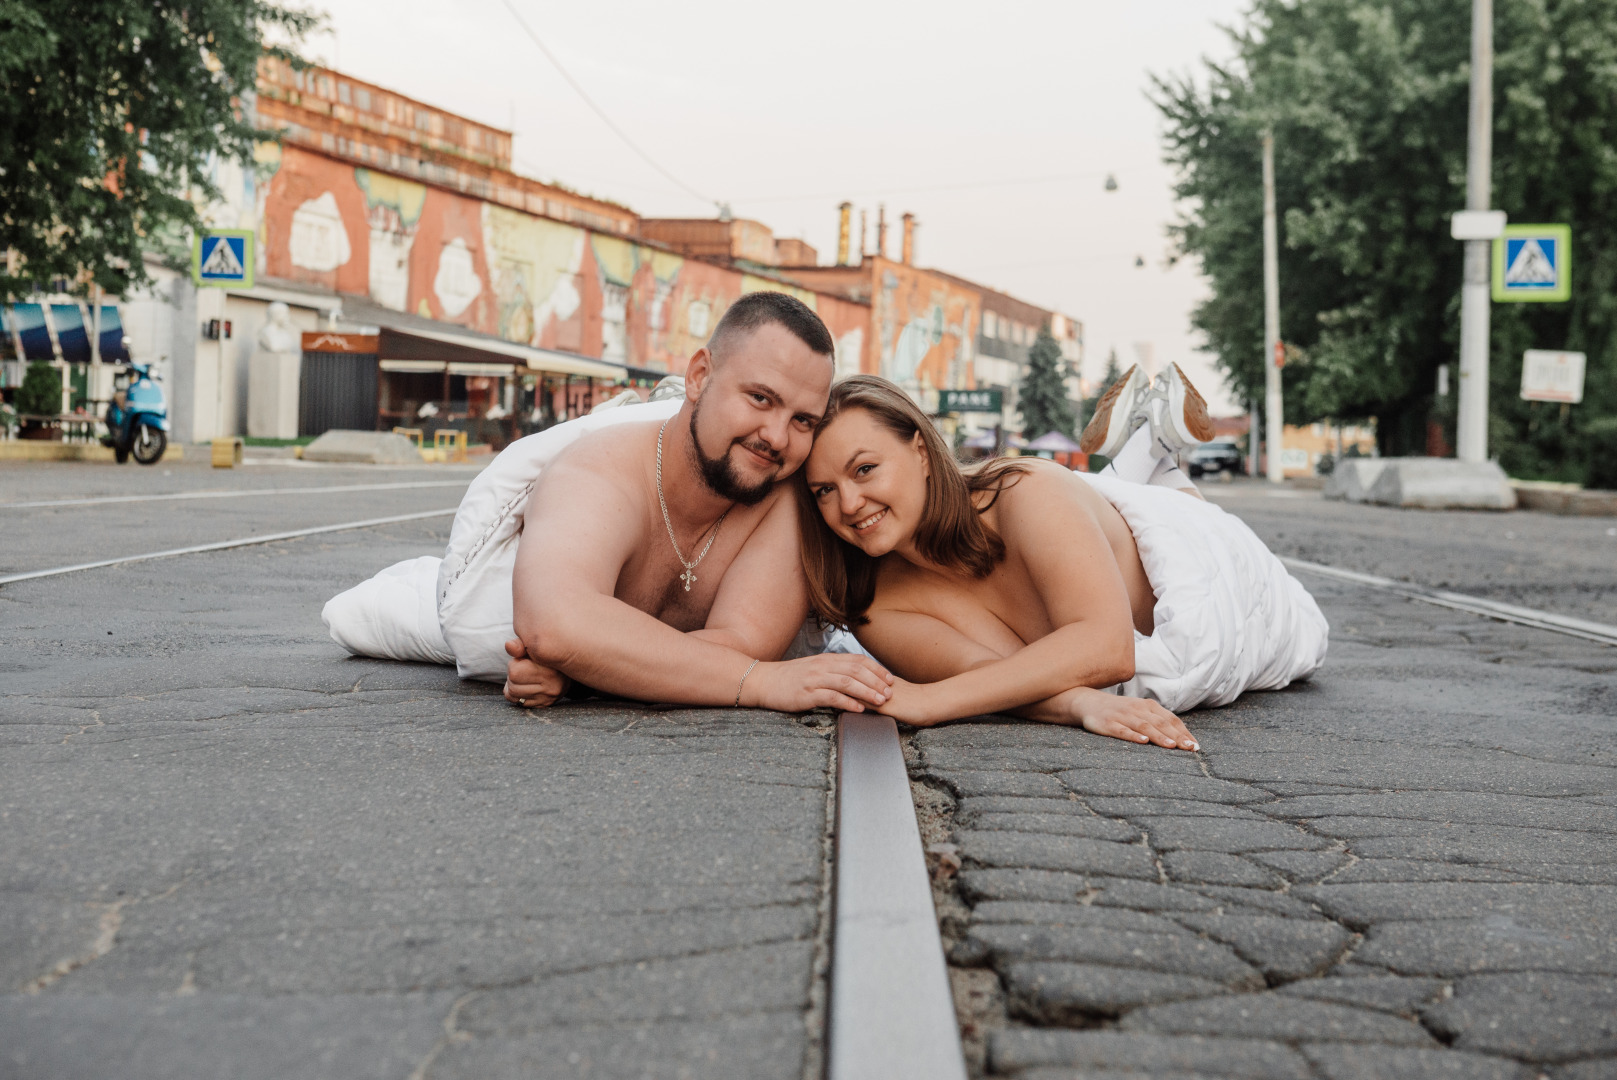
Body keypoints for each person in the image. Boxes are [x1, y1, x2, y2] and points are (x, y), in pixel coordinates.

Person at [322, 291, 894, 715]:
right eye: (759, 398)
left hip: (606, 634)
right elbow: (555, 624)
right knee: (360, 618)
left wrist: (584, 675)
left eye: (801, 420)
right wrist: (762, 684)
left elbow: (740, 644)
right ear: (700, 374)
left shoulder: (781, 499)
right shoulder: (599, 470)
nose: (775, 435)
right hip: (502, 591)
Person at [796, 368, 1329, 750]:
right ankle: (1151, 452)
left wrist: (925, 703)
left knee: (1308, 633)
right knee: (1097, 502)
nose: (847, 504)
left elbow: (1106, 646)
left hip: (1197, 584)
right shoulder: (878, 605)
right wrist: (1082, 705)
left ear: (919, 448)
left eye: (865, 470)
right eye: (823, 490)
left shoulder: (1022, 490)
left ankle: (1156, 455)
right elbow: (994, 679)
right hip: (1094, 535)